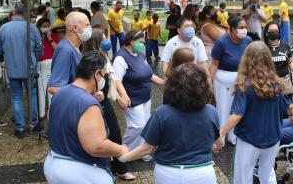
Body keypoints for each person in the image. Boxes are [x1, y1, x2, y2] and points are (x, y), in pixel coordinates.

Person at [119, 63, 219, 184]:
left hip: (169, 174)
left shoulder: (162, 113)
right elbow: (218, 142)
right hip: (202, 173)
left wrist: (122, 158)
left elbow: (146, 149)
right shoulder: (211, 112)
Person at [44, 51, 129, 184]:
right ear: (96, 74)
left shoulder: (60, 94)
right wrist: (120, 149)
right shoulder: (89, 105)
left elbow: (54, 123)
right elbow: (96, 146)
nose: (104, 80)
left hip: (53, 165)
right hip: (79, 172)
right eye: (104, 75)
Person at [217, 42, 293, 184]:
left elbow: (237, 115)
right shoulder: (276, 83)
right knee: (267, 173)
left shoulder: (245, 85)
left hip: (249, 139)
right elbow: (288, 109)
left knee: (242, 176)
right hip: (273, 137)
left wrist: (221, 133)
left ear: (246, 60)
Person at [84, 29, 136, 181]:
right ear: (95, 41)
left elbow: (113, 79)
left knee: (115, 134)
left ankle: (120, 168)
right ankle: (102, 169)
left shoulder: (105, 58)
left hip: (105, 101)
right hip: (91, 103)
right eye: (103, 39)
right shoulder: (87, 60)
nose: (107, 42)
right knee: (98, 137)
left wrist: (121, 96)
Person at [112, 30, 164, 161]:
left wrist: (164, 82)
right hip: (132, 99)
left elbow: (149, 74)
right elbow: (116, 80)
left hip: (145, 97)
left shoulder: (140, 55)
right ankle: (122, 150)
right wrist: (122, 96)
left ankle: (141, 151)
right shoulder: (120, 58)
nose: (143, 44)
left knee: (145, 125)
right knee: (137, 126)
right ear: (131, 41)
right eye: (141, 42)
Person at [0, 5, 43, 138]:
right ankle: (34, 123)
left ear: (14, 12)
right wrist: (35, 57)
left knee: (16, 97)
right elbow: (39, 48)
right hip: (30, 68)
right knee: (32, 95)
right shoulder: (32, 28)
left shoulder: (4, 28)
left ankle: (20, 128)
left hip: (12, 68)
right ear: (26, 13)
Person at [210, 15, 252, 145]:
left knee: (239, 109)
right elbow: (214, 64)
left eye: (245, 27)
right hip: (223, 80)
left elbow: (251, 62)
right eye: (241, 27)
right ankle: (221, 137)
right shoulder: (221, 42)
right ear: (232, 29)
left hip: (242, 78)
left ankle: (235, 137)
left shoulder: (248, 41)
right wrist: (208, 83)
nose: (244, 30)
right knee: (224, 109)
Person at [47, 11, 91, 96]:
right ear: (75, 28)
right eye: (87, 25)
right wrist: (82, 98)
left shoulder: (75, 47)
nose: (90, 28)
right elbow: (54, 87)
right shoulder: (65, 50)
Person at [264, 21, 293, 102]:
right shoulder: (262, 48)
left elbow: (290, 62)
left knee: (287, 106)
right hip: (269, 83)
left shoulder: (285, 46)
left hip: (285, 82)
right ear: (266, 33)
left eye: (276, 30)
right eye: (271, 31)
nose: (274, 32)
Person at [36, 18, 58, 118]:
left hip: (51, 63)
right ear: (39, 27)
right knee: (41, 90)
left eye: (48, 26)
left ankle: (52, 111)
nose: (46, 28)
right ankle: (41, 113)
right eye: (44, 26)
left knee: (51, 89)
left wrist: (50, 38)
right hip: (40, 64)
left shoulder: (53, 35)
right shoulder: (37, 36)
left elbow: (57, 49)